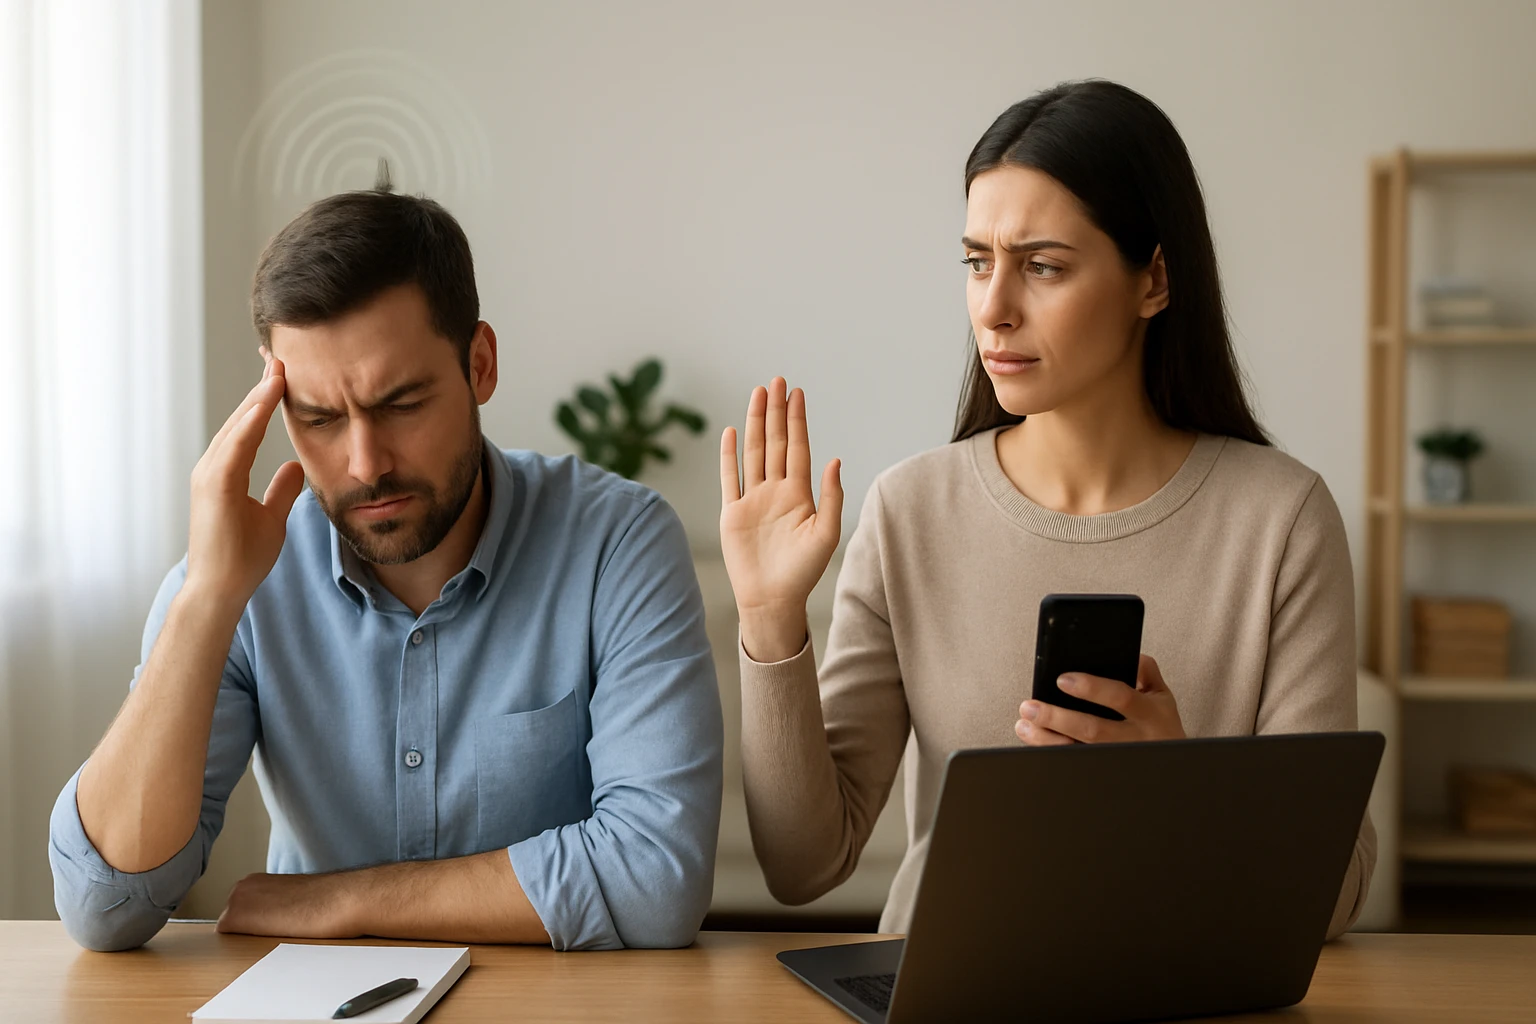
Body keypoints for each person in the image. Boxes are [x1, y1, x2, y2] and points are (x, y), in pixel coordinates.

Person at [720, 80, 1375, 940]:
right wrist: (771, 621)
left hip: (1187, 996)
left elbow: (1333, 895)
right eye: (976, 262)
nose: (992, 309)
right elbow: (804, 864)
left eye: (1043, 266)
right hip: (947, 994)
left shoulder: (1282, 519)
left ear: (1155, 280)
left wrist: (1181, 791)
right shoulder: (909, 510)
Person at [49, 175, 723, 952]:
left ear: (480, 364)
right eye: (321, 418)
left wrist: (341, 902)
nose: (366, 463)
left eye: (401, 404)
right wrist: (205, 601)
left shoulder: (618, 543)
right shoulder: (240, 577)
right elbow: (105, 907)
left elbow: (656, 879)